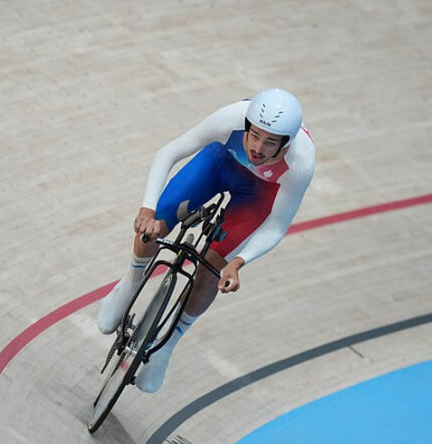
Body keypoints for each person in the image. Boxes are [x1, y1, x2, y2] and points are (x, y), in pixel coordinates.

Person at [97, 88, 315, 393]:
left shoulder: (301, 162)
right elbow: (169, 153)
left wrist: (239, 262)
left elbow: (276, 226)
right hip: (218, 164)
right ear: (247, 125)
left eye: (269, 143)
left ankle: (167, 347)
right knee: (155, 225)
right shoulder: (230, 119)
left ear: (286, 143)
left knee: (212, 270)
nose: (257, 148)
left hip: (258, 194)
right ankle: (130, 283)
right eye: (254, 136)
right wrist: (147, 208)